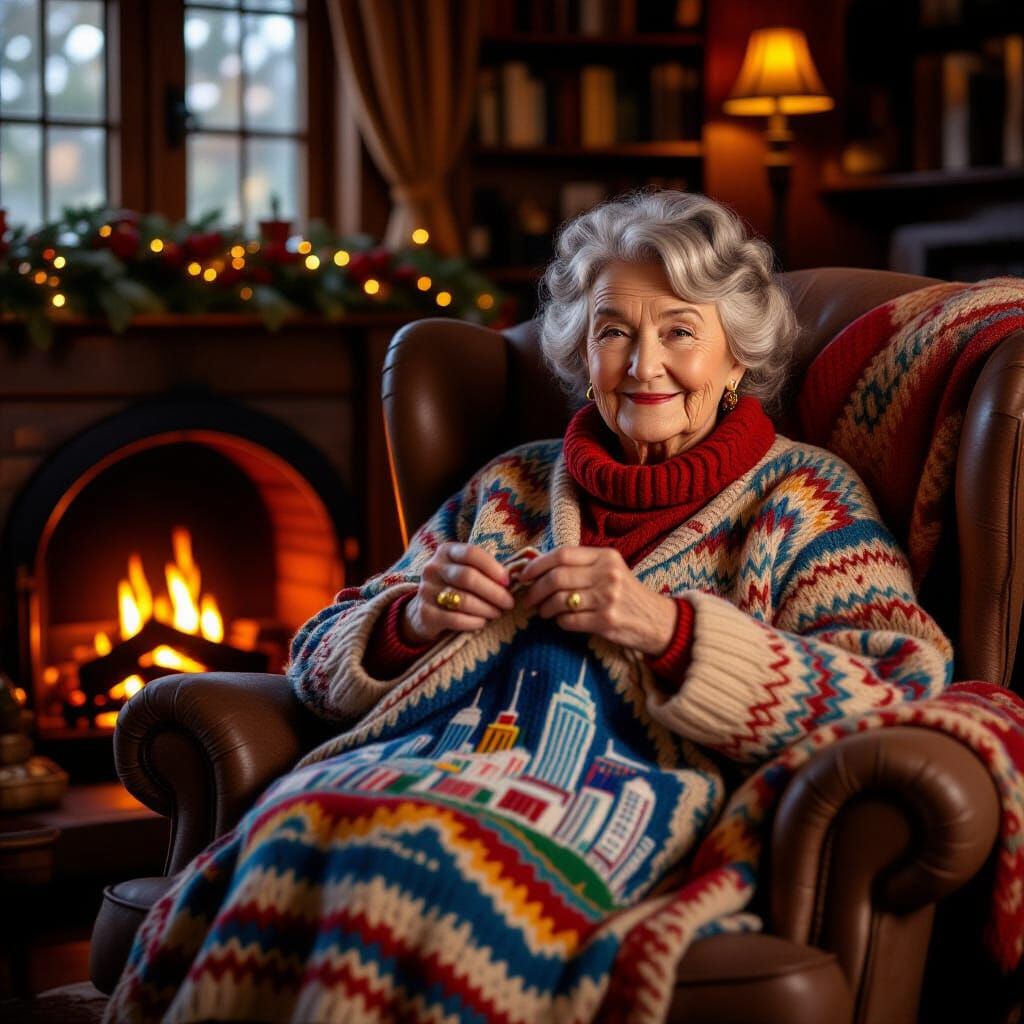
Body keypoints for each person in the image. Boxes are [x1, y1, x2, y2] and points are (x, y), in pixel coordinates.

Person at [106, 192, 951, 1023]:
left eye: (680, 332)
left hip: (611, 792)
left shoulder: (804, 497)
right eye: (613, 332)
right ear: (583, 353)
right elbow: (318, 654)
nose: (643, 364)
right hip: (413, 763)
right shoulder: (509, 484)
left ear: (737, 358)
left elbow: (896, 685)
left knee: (419, 866)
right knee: (291, 826)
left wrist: (668, 629)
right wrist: (410, 621)